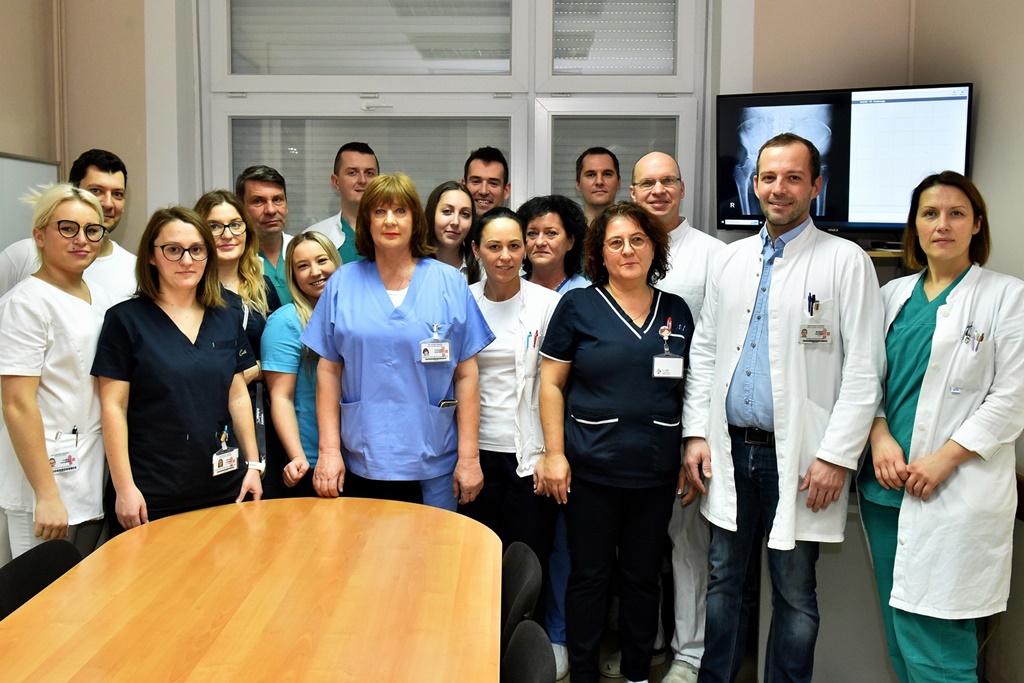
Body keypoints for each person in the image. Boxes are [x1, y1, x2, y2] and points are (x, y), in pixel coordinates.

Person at [682, 133, 885, 683]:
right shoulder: (731, 259)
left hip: (799, 459)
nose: (779, 188)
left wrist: (836, 456)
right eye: (769, 177)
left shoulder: (845, 261)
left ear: (816, 186)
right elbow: (705, 353)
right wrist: (696, 434)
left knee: (795, 593)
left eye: (794, 177)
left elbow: (865, 369)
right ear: (754, 184)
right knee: (725, 582)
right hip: (730, 450)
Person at [859, 172, 1024, 683]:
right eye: (930, 214)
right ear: (915, 226)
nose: (942, 224)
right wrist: (879, 434)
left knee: (938, 641)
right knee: (900, 634)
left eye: (956, 214)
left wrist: (945, 458)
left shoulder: (1007, 296)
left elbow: (1012, 397)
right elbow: (866, 379)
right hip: (886, 487)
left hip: (955, 489)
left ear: (977, 224)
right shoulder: (892, 295)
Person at [535, 201, 695, 683]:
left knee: (643, 578)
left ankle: (637, 673)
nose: (628, 250)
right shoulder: (578, 307)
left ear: (654, 247)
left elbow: (690, 388)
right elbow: (550, 384)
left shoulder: (676, 311)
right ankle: (584, 673)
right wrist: (555, 454)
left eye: (638, 240)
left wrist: (690, 447)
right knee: (590, 576)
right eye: (616, 242)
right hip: (592, 469)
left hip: (654, 469)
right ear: (599, 253)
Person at [301, 173, 494, 510]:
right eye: (379, 211)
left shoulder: (449, 283)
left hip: (434, 458)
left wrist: (469, 458)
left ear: (415, 220)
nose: (390, 220)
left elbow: (466, 375)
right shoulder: (343, 282)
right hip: (363, 456)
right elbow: (329, 371)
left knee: (435, 543)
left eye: (400, 211)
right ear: (367, 221)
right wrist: (329, 451)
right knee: (364, 543)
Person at [93, 207, 263, 534]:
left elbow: (238, 395)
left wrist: (253, 464)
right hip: (152, 491)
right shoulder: (125, 320)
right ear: (151, 256)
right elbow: (113, 406)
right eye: (173, 249)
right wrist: (124, 488)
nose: (187, 260)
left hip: (225, 484)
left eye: (197, 250)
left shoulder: (226, 315)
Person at [631, 150, 725, 683]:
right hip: (631, 427)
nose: (658, 190)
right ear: (634, 192)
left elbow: (713, 352)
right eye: (648, 183)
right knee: (641, 545)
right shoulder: (622, 248)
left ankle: (690, 652)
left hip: (688, 424)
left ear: (683, 189)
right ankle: (651, 642)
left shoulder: (714, 256)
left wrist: (698, 434)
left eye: (668, 181)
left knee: (688, 544)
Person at [0, 185, 115, 559]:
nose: (82, 240)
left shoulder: (99, 296)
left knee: (87, 587)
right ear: (39, 235)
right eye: (67, 228)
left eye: (92, 230)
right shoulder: (25, 304)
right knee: (42, 590)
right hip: (44, 482)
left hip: (89, 469)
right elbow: (17, 403)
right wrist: (46, 494)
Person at [460, 205, 561, 565]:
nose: (505, 257)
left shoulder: (549, 305)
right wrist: (466, 459)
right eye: (494, 247)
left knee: (527, 561)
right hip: (474, 453)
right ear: (476, 249)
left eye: (514, 246)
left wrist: (552, 453)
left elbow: (557, 385)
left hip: (529, 456)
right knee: (476, 561)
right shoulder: (462, 301)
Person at [193, 190, 283, 495]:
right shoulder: (188, 287)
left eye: (235, 224)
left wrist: (251, 370)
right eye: (214, 226)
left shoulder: (263, 287)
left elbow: (280, 357)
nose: (227, 234)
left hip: (257, 412)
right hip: (204, 411)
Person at [261, 231, 341, 497]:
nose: (315, 272)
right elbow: (280, 397)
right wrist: (297, 456)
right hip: (313, 459)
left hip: (359, 457)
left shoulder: (357, 315)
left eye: (322, 260)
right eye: (303, 266)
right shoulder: (285, 322)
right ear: (293, 275)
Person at [0, 149, 137, 301]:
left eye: (117, 194)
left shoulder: (135, 270)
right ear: (72, 191)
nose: (108, 203)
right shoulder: (22, 255)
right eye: (96, 191)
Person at [304, 142, 378, 264]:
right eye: (352, 173)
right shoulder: (314, 238)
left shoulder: (394, 233)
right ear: (336, 182)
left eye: (369, 173)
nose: (363, 180)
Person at [236, 165, 293, 304]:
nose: (271, 210)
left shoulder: (302, 252)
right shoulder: (234, 260)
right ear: (241, 208)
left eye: (277, 199)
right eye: (258, 201)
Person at [519, 194, 589, 292]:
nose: (540, 242)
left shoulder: (585, 292)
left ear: (570, 241)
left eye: (551, 233)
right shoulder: (511, 290)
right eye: (532, 233)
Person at [425, 181, 480, 283]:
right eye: (447, 211)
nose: (455, 222)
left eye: (465, 214)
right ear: (432, 214)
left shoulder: (481, 269)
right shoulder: (412, 265)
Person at [576, 147, 622, 223]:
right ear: (578, 184)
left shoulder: (632, 228)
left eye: (607, 174)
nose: (599, 181)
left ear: (619, 182)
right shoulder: (567, 230)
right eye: (590, 175)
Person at [462, 146, 511, 217]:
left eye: (493, 183)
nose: (483, 191)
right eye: (476, 182)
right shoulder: (449, 223)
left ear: (506, 191)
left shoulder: (517, 224)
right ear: (463, 186)